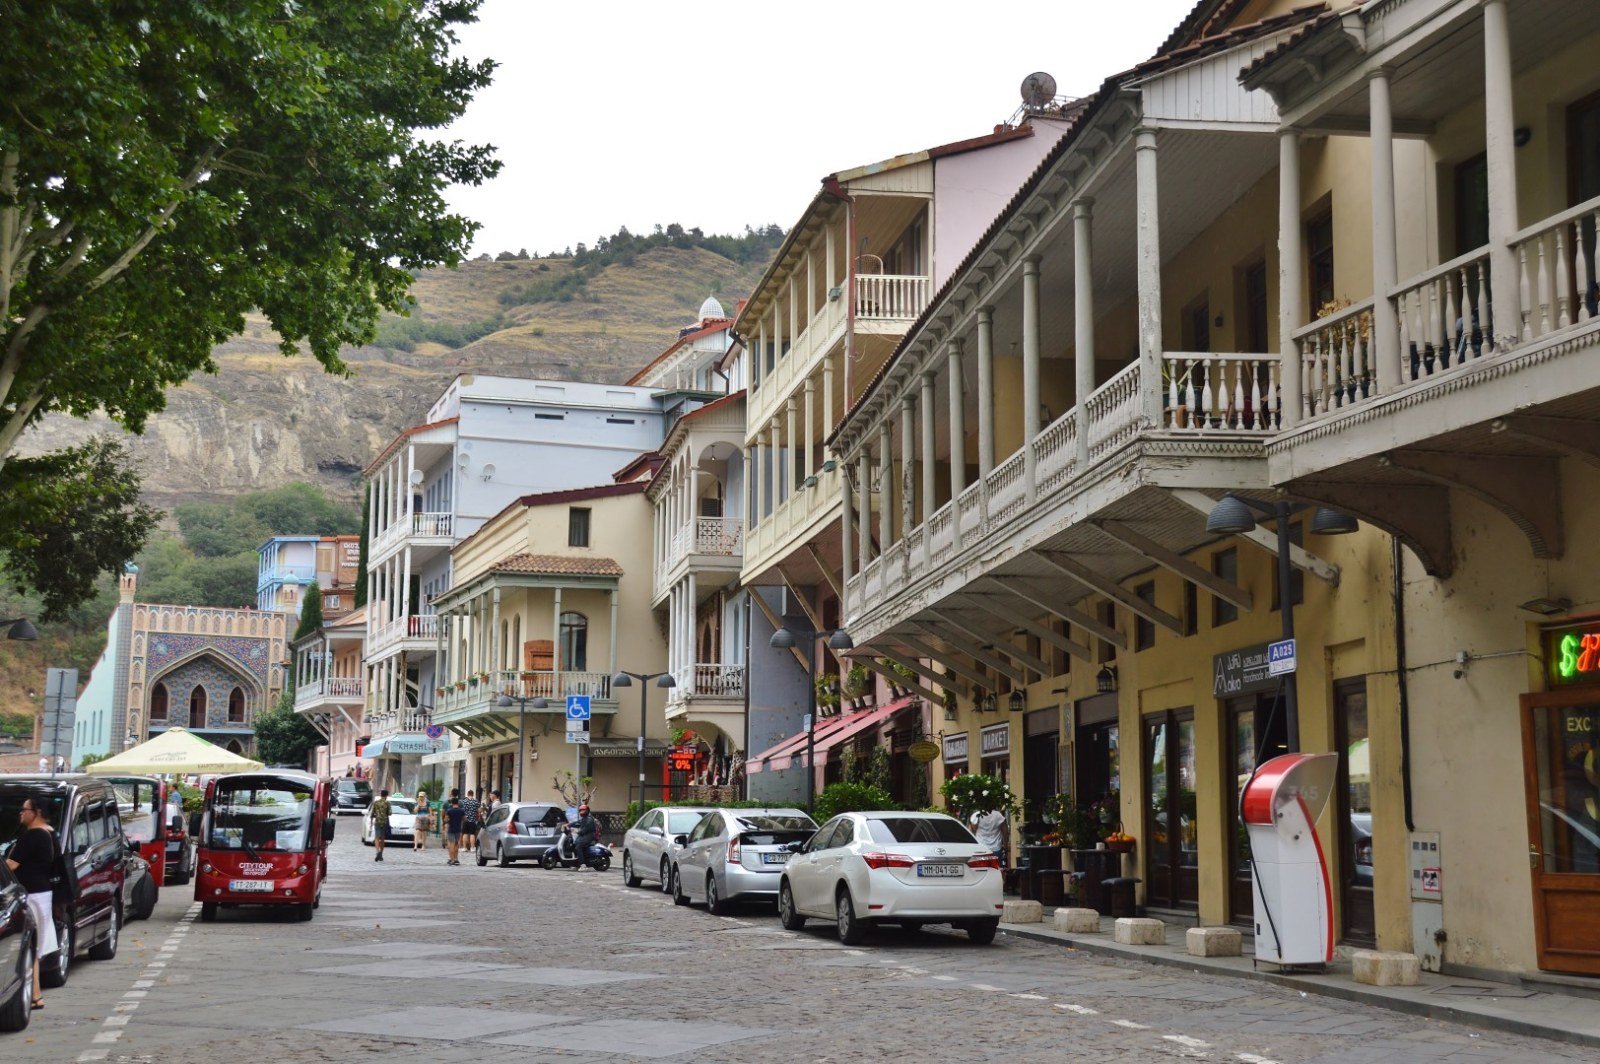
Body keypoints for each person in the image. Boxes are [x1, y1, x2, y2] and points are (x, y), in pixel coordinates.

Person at [5, 797, 57, 1011]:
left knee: (31, 944)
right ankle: (36, 994)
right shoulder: (50, 833)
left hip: (32, 894)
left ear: (36, 812)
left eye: (24, 809)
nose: (20, 813)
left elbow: (10, 865)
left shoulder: (33, 836)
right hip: (43, 893)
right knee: (36, 945)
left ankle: (35, 995)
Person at [572, 803, 601, 867]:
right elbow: (577, 823)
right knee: (573, 845)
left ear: (587, 811)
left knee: (578, 847)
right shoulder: (584, 819)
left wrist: (579, 831)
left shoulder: (589, 819)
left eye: (583, 810)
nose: (581, 812)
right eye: (580, 810)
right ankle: (577, 863)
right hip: (583, 837)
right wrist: (568, 824)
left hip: (589, 837)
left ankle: (583, 864)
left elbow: (585, 829)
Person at [370, 789, 391, 861]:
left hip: (377, 821)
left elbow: (372, 813)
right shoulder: (387, 803)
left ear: (381, 794)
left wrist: (371, 822)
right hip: (384, 822)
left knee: (376, 837)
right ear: (386, 795)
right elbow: (390, 813)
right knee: (382, 838)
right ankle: (381, 854)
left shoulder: (376, 802)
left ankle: (377, 851)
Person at [443, 797, 465, 865]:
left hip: (451, 829)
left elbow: (445, 820)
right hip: (458, 829)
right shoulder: (461, 810)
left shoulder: (449, 811)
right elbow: (465, 819)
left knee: (451, 844)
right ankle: (456, 859)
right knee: (456, 844)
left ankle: (452, 859)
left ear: (451, 803)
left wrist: (447, 820)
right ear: (457, 803)